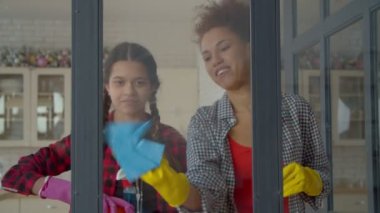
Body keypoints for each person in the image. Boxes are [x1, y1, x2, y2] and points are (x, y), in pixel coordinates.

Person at [163, 0, 330, 212]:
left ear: (250, 47)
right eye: (207, 57)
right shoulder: (204, 122)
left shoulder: (296, 109)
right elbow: (207, 191)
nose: (215, 61)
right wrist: (179, 190)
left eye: (224, 48)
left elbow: (324, 181)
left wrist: (312, 180)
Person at [1, 42, 187, 213]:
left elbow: (201, 202)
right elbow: (14, 175)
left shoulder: (171, 140)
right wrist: (66, 191)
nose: (129, 91)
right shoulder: (89, 139)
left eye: (139, 82)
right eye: (119, 82)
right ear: (107, 86)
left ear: (152, 87)